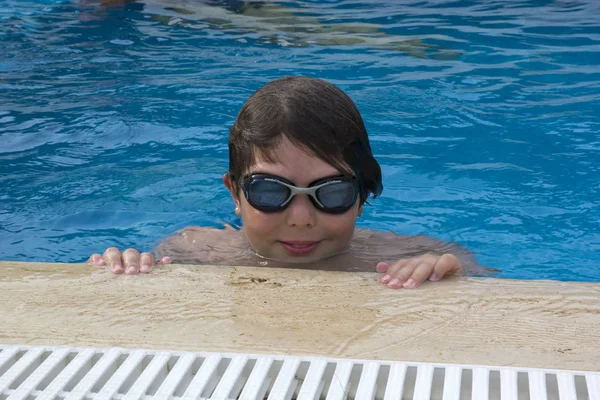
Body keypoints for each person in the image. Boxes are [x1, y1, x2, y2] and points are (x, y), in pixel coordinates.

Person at [88, 76, 488, 289]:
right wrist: (125, 266)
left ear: (362, 196)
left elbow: (484, 282)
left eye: (331, 193)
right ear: (235, 193)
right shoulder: (194, 248)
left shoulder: (404, 254)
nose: (300, 218)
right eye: (269, 191)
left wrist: (444, 272)